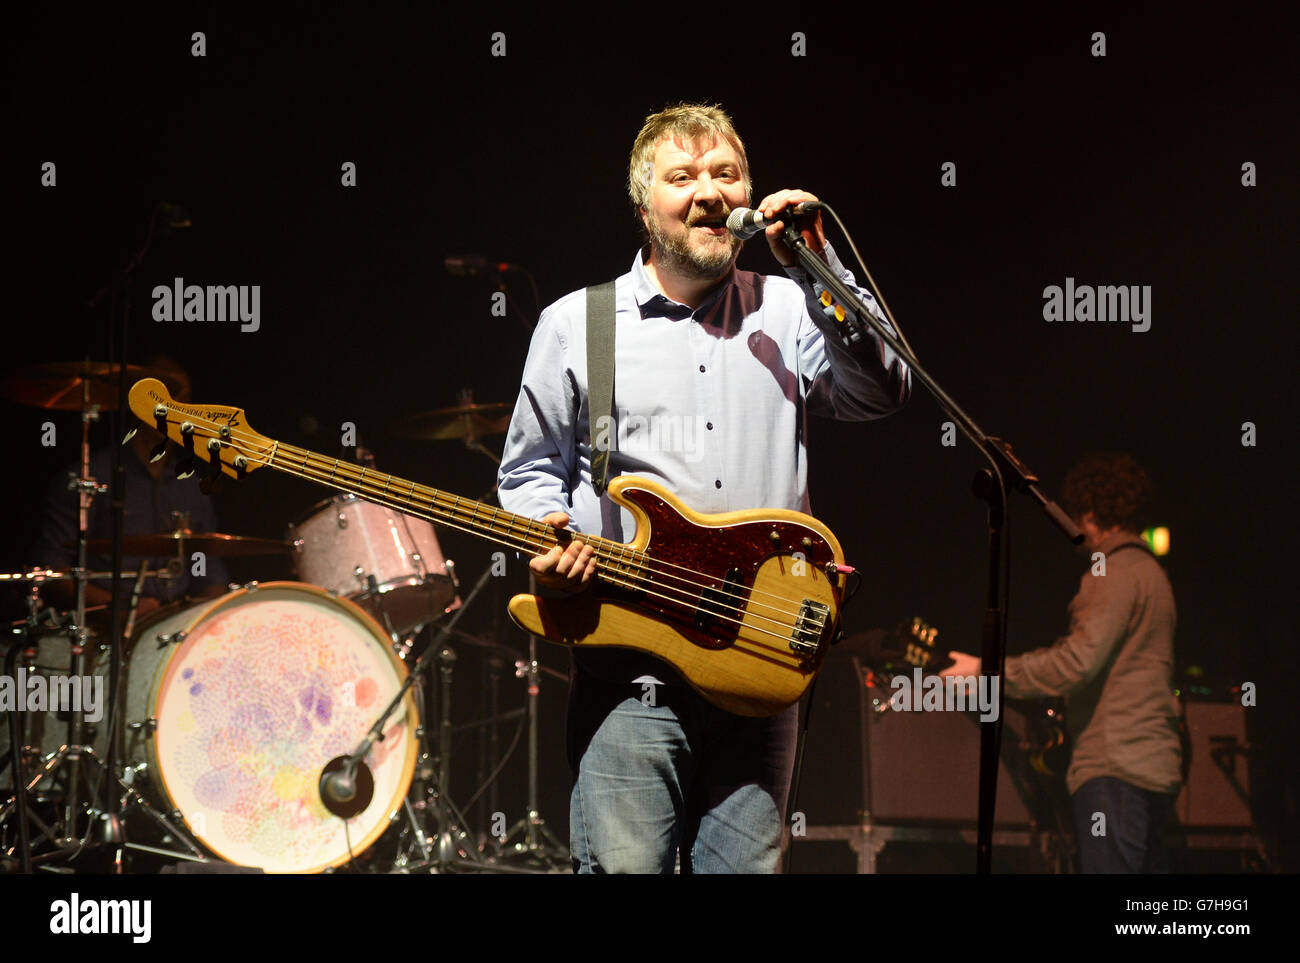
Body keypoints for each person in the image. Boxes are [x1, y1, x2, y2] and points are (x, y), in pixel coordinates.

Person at [496, 103, 911, 873]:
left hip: (760, 668)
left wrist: (821, 264)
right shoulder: (575, 323)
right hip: (631, 670)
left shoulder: (787, 305)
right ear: (643, 203)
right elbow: (526, 471)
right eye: (683, 176)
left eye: (726, 173)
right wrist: (550, 535)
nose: (710, 191)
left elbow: (886, 389)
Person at [941, 452, 1182, 873]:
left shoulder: (1112, 572)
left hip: (1114, 768)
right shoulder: (1152, 573)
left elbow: (1076, 664)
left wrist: (987, 670)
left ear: (1089, 513)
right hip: (1155, 766)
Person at [31, 358, 230, 621]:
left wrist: (212, 607)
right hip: (107, 627)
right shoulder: (90, 475)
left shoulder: (191, 484)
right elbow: (52, 569)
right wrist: (117, 606)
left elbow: (206, 563)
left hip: (176, 622)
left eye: (182, 401)